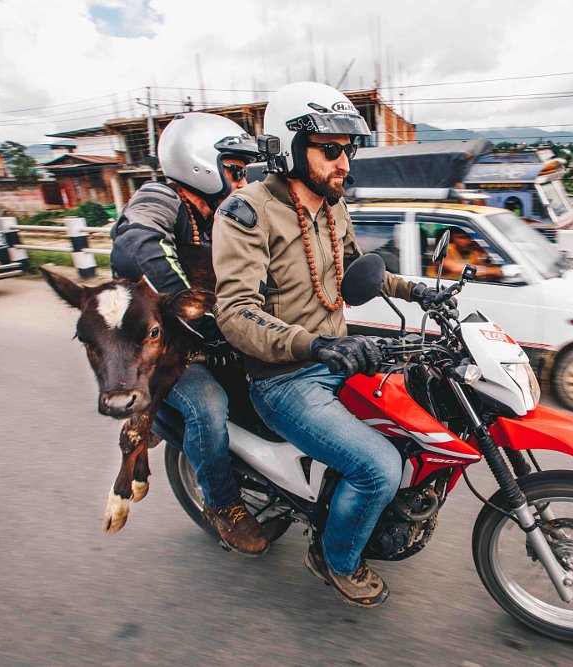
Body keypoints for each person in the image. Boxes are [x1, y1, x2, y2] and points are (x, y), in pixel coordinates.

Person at [212, 82, 442, 607]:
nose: (344, 162)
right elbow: (236, 314)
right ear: (290, 149)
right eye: (330, 149)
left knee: (425, 412)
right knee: (377, 466)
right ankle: (335, 557)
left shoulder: (332, 206)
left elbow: (359, 272)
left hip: (337, 354)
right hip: (285, 379)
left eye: (348, 149)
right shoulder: (246, 213)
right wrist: (313, 346)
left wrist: (419, 290)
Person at [109, 113, 270, 556]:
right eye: (235, 169)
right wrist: (195, 316)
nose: (241, 181)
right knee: (207, 405)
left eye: (244, 172)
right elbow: (139, 241)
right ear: (199, 163)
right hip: (161, 351)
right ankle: (223, 505)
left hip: (208, 338)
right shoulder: (159, 199)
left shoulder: (222, 214)